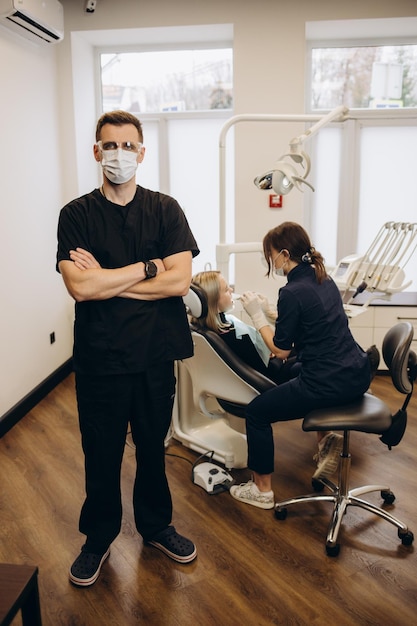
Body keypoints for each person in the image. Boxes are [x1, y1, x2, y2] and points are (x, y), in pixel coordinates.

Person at [56, 110, 200, 586]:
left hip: (154, 356)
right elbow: (81, 289)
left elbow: (180, 282)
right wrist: (147, 268)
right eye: (109, 145)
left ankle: (156, 526)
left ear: (142, 152)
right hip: (101, 359)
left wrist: (108, 279)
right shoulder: (76, 215)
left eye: (127, 145)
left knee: (154, 452)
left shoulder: (166, 209)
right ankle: (97, 539)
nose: (119, 154)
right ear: (97, 152)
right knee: (100, 453)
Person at [229, 221, 372, 510]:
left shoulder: (292, 291)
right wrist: (274, 312)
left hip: (328, 382)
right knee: (294, 372)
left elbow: (281, 350)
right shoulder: (323, 277)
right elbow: (307, 323)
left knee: (257, 412)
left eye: (270, 254)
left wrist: (257, 316)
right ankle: (326, 441)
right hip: (356, 372)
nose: (270, 261)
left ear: (284, 254)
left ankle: (262, 490)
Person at [191, 270, 297, 385]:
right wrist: (275, 354)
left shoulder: (221, 326)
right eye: (227, 289)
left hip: (273, 364)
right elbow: (265, 369)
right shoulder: (232, 335)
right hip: (274, 377)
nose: (231, 290)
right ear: (214, 302)